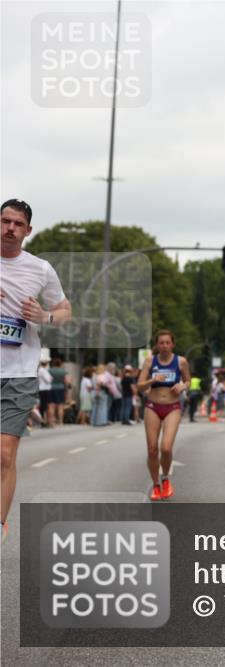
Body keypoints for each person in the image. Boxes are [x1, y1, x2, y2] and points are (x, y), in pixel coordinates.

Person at [0, 198, 72, 539]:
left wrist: (45, 317)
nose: (10, 228)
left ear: (28, 231)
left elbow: (64, 310)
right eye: (5, 221)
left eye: (17, 224)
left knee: (4, 453)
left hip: (19, 371)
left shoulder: (40, 269)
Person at [136, 330, 190, 500]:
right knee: (152, 450)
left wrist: (182, 386)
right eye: (161, 343)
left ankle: (165, 478)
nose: (165, 346)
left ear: (172, 344)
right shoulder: (150, 361)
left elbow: (188, 380)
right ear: (157, 345)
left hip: (172, 407)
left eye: (168, 343)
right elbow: (140, 386)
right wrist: (153, 379)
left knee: (165, 448)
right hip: (152, 406)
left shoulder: (181, 361)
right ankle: (156, 485)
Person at [48, 357, 69, 427]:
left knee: (51, 406)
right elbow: (66, 381)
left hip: (51, 389)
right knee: (60, 406)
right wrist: (66, 390)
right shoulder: (63, 371)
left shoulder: (50, 370)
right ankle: (60, 421)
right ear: (60, 363)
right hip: (61, 389)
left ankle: (51, 422)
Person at [37, 359, 53, 427]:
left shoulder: (40, 370)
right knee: (45, 406)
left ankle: (43, 421)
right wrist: (51, 378)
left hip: (42, 389)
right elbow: (48, 380)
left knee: (43, 406)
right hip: (45, 389)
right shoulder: (43, 370)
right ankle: (45, 422)